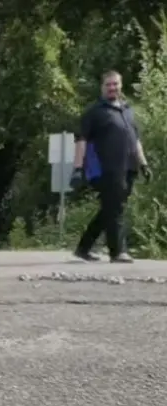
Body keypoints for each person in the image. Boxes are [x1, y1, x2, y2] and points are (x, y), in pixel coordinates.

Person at [70, 70, 152, 263]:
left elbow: (135, 140)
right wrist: (78, 168)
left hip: (129, 167)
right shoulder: (94, 112)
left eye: (115, 84)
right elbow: (81, 141)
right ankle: (117, 251)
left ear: (121, 85)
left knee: (110, 209)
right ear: (102, 87)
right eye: (109, 84)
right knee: (116, 209)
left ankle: (83, 248)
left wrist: (144, 164)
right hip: (106, 169)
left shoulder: (127, 110)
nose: (112, 87)